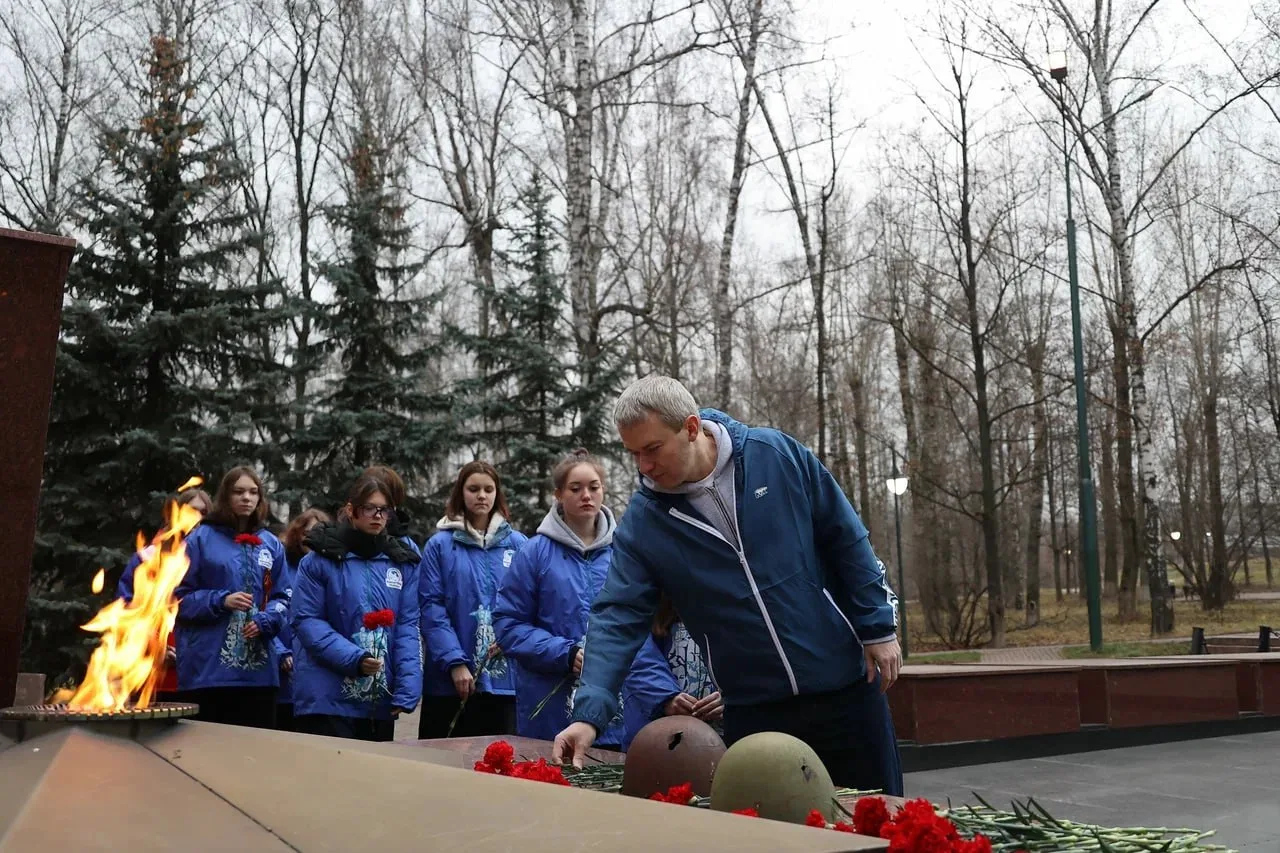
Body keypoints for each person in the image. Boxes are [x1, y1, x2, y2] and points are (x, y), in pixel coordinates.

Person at [553, 376, 904, 795]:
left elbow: (846, 539)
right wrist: (588, 714)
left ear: (690, 427)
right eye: (633, 454)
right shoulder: (646, 523)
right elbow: (617, 615)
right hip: (755, 712)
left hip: (846, 690)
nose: (643, 466)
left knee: (877, 822)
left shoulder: (775, 455)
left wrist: (878, 627)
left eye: (651, 449)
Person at [494, 449, 680, 749]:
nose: (586, 495)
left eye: (594, 487)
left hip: (621, 715)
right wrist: (566, 655)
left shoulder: (625, 553)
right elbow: (508, 624)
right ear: (558, 494)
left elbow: (640, 631)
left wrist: (663, 693)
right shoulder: (534, 553)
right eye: (575, 488)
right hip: (551, 711)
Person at [290, 475, 422, 742]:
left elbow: (407, 625)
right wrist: (355, 659)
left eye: (384, 510)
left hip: (378, 695)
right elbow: (307, 621)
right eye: (368, 508)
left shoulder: (401, 560)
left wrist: (408, 683)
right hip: (327, 695)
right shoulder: (319, 559)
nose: (377, 515)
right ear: (351, 510)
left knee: (373, 780)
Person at [417, 461, 527, 739]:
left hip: (506, 682)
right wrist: (455, 662)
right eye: (473, 489)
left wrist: (512, 638)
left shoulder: (519, 545)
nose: (481, 495)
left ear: (497, 494)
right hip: (451, 683)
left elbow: (528, 606)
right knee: (445, 769)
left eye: (489, 489)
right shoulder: (440, 546)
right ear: (460, 493)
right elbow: (432, 609)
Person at [174, 467, 289, 729]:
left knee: (254, 756)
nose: (246, 498)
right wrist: (220, 600)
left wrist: (267, 619)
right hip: (208, 672)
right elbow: (177, 600)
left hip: (259, 677)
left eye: (253, 492)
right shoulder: (200, 539)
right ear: (225, 496)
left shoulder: (271, 544)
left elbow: (283, 596)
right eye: (238, 492)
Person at [118, 486, 212, 703]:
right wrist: (152, 646)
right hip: (151, 664)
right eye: (190, 510)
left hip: (201, 668)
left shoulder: (218, 561)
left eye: (203, 512)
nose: (196, 518)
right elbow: (126, 606)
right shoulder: (147, 558)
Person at [273, 507, 332, 731]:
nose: (311, 537)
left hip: (317, 670)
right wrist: (281, 652)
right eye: (307, 531)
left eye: (318, 531)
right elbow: (266, 609)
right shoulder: (283, 567)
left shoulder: (331, 568)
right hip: (283, 671)